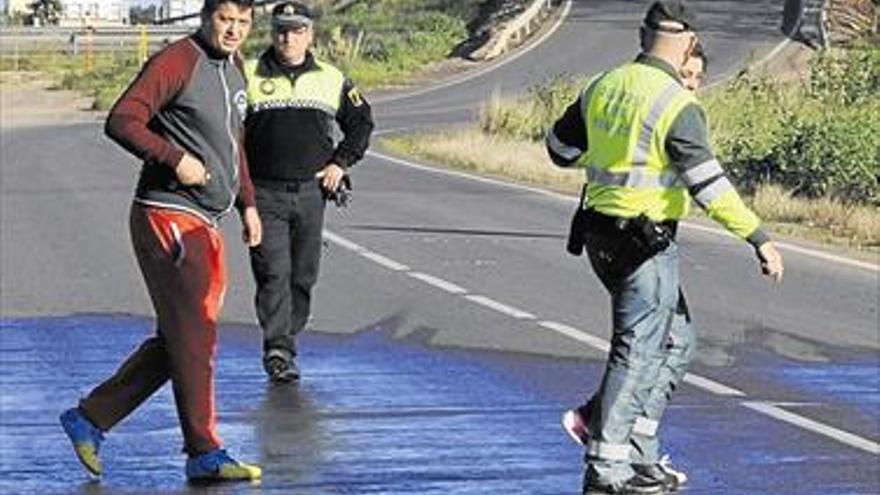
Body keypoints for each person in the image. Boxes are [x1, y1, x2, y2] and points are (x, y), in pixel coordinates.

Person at [546, 2, 784, 494]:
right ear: (686, 42)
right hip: (643, 240)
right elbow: (710, 186)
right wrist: (758, 237)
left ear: (643, 33)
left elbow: (559, 149)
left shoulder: (604, 84)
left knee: (675, 343)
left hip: (598, 234)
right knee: (637, 352)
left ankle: (637, 451)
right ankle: (607, 469)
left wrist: (612, 145)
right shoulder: (676, 104)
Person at [59, 0, 263, 482]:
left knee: (183, 337)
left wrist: (247, 203)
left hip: (206, 219)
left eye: (243, 22)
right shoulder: (178, 60)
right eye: (224, 19)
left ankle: (90, 418)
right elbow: (123, 119)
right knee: (195, 333)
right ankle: (204, 451)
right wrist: (175, 159)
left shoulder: (233, 69)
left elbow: (233, 145)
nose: (233, 30)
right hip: (168, 213)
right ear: (206, 15)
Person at [243, 1, 374, 383]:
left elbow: (362, 123)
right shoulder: (247, 74)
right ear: (272, 33)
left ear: (309, 35)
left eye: (296, 30)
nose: (288, 37)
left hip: (311, 193)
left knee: (303, 275)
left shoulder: (331, 78)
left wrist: (340, 163)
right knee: (272, 272)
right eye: (282, 30)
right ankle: (278, 348)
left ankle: (288, 337)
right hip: (263, 194)